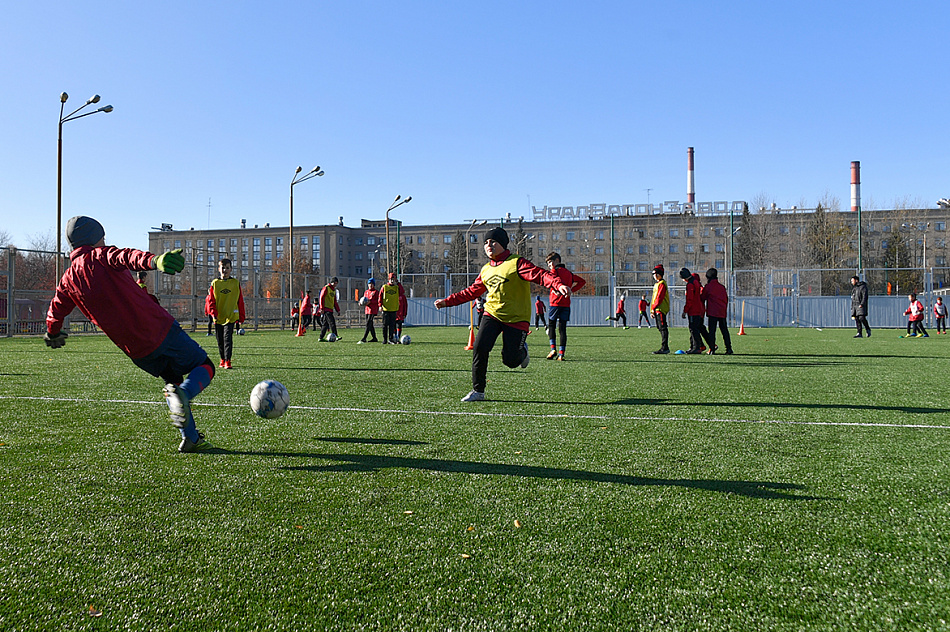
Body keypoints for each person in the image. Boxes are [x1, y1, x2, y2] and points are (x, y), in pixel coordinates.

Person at [45, 215, 216, 453]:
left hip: (135, 350)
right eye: (103, 237)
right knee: (205, 366)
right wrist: (156, 260)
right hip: (158, 329)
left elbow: (56, 308)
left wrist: (53, 332)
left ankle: (190, 438)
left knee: (172, 383)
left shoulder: (68, 279)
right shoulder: (100, 256)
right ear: (96, 239)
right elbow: (126, 256)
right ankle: (185, 396)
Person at [434, 227, 569, 402]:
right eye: (486, 242)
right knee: (479, 347)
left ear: (503, 245)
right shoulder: (485, 270)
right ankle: (478, 391)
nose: (488, 245)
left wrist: (557, 284)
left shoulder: (517, 263)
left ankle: (522, 352)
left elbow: (540, 275)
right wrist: (447, 301)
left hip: (516, 318)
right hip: (492, 314)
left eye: (493, 241)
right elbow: (471, 292)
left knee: (510, 361)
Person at [544, 251, 587, 361]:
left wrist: (556, 289)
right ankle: (561, 354)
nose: (549, 265)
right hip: (566, 304)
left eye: (550, 262)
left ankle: (553, 349)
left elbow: (552, 281)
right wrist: (571, 290)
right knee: (562, 329)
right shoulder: (569, 273)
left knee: (552, 326)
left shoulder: (554, 272)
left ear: (557, 261)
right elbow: (582, 281)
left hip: (555, 303)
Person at [208, 258, 245, 369]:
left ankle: (228, 361)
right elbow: (211, 300)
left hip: (231, 316)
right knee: (220, 340)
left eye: (227, 268)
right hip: (218, 316)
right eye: (223, 267)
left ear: (231, 269)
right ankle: (222, 359)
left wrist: (241, 316)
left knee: (227, 338)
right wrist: (213, 312)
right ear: (219, 269)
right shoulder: (215, 283)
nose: (225, 270)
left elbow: (240, 300)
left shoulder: (235, 283)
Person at [700, 268, 733, 355]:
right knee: (724, 330)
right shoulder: (722, 287)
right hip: (722, 311)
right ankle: (729, 348)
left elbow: (703, 298)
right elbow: (726, 298)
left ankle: (712, 349)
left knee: (712, 331)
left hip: (712, 311)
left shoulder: (708, 287)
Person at [680, 268, 712, 353]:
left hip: (693, 310)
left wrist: (685, 310)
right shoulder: (695, 282)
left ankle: (697, 347)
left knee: (693, 329)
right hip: (699, 308)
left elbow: (689, 299)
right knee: (695, 328)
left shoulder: (690, 285)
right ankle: (694, 346)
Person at [379, 273, 406, 344]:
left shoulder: (397, 288)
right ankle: (385, 339)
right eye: (391, 279)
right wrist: (380, 305)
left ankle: (391, 339)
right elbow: (380, 296)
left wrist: (398, 283)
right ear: (388, 279)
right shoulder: (384, 287)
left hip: (394, 309)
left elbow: (402, 292)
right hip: (386, 309)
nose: (392, 281)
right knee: (385, 325)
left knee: (392, 325)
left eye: (393, 279)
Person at [650, 265, 670, 354]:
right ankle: (664, 346)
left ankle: (665, 347)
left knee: (663, 328)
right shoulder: (657, 284)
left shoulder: (662, 284)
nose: (654, 275)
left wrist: (654, 307)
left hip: (660, 309)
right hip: (657, 309)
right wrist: (652, 310)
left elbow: (659, 298)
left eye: (655, 273)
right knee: (660, 327)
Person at [358, 278, 380, 344]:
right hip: (367, 310)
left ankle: (364, 338)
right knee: (370, 324)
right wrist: (361, 303)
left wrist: (370, 302)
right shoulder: (366, 292)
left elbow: (378, 301)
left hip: (372, 310)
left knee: (368, 323)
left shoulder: (376, 292)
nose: (370, 285)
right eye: (369, 284)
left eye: (372, 284)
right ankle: (374, 338)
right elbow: (363, 299)